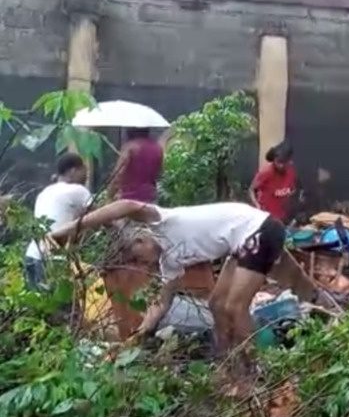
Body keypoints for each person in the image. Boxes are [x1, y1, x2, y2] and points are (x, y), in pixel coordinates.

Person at [49, 200, 287, 362]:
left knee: (234, 307)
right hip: (240, 242)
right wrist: (136, 338)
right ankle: (226, 360)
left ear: (142, 240)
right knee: (216, 305)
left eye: (137, 257)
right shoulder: (169, 262)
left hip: (258, 228)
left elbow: (125, 206)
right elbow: (161, 305)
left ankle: (253, 368)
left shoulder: (161, 221)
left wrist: (70, 229)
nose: (142, 265)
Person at [24, 153, 91, 290]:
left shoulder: (45, 191)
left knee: (39, 308)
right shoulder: (79, 190)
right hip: (53, 259)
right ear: (73, 171)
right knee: (60, 308)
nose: (87, 176)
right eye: (84, 171)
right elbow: (103, 218)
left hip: (32, 254)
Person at [108, 127, 163, 203]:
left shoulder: (130, 147)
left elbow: (118, 174)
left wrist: (110, 194)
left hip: (129, 198)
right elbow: (159, 172)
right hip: (150, 197)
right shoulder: (157, 148)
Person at [249, 141, 297, 222]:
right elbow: (251, 190)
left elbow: (292, 189)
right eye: (278, 162)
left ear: (288, 161)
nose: (281, 166)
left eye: (283, 163)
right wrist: (257, 206)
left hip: (282, 217)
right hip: (266, 217)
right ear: (274, 160)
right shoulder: (266, 172)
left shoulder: (291, 172)